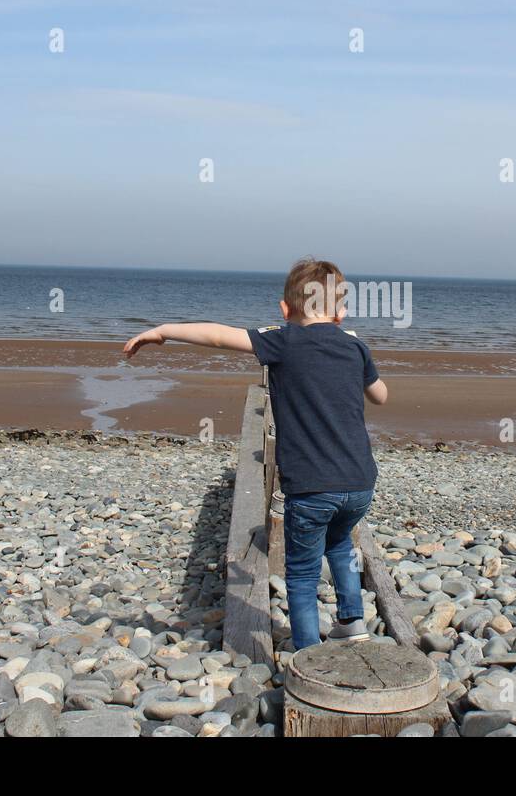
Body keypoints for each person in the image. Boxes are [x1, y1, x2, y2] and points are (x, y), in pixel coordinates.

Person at [123, 256, 388, 649]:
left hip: (312, 485)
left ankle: (307, 654)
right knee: (339, 544)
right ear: (341, 312)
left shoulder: (281, 340)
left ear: (284, 309)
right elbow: (381, 396)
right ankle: (352, 621)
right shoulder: (355, 347)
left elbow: (216, 335)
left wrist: (162, 331)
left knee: (300, 573)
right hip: (360, 483)